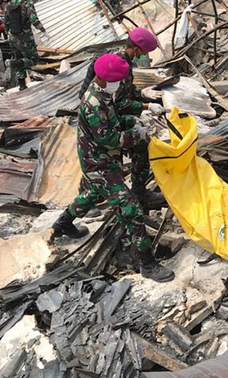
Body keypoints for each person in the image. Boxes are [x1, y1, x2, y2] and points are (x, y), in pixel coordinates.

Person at [54, 53, 175, 282]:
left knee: (90, 194)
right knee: (131, 210)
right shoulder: (94, 104)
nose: (119, 85)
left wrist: (135, 120)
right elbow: (108, 138)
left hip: (99, 157)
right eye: (117, 81)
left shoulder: (103, 94)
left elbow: (115, 119)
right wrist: (134, 133)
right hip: (98, 162)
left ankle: (62, 224)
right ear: (102, 78)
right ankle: (147, 264)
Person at [78, 27, 166, 206]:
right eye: (145, 52)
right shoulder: (117, 65)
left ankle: (134, 191)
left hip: (111, 115)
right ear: (137, 49)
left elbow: (128, 90)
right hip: (105, 117)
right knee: (101, 158)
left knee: (109, 156)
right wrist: (145, 106)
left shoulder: (123, 60)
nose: (145, 55)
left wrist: (143, 94)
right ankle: (88, 199)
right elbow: (119, 103)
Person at [5, 0, 46, 91]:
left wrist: (8, 35)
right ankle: (13, 62)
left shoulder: (9, 5)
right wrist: (43, 30)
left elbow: (6, 23)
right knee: (33, 59)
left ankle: (22, 85)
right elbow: (33, 19)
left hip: (12, 37)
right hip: (25, 37)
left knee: (18, 57)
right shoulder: (27, 3)